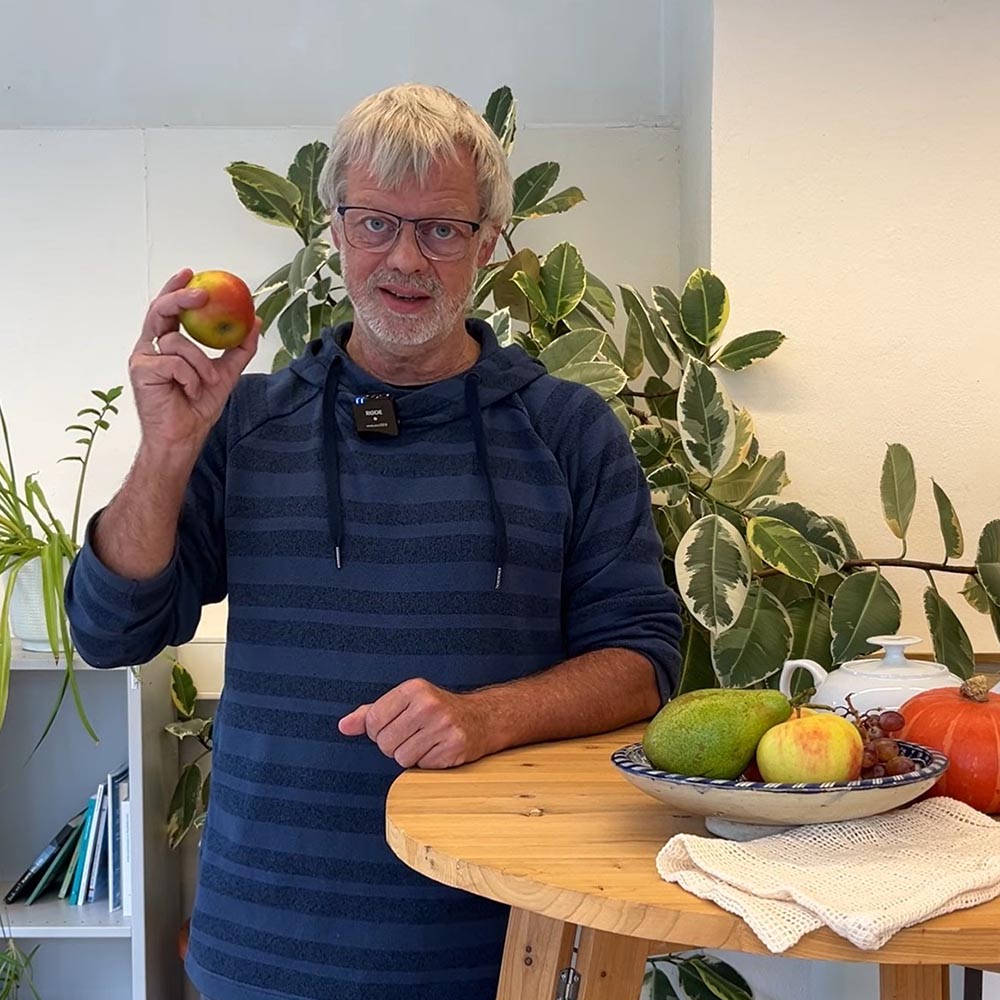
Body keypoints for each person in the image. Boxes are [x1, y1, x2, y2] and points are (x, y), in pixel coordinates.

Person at [65, 83, 683, 1000]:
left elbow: (644, 662)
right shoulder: (244, 422)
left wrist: (488, 716)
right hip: (262, 952)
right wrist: (165, 447)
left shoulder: (569, 431)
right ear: (336, 230)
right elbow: (111, 630)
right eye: (376, 223)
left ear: (487, 242)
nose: (404, 258)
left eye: (441, 230)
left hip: (500, 948)